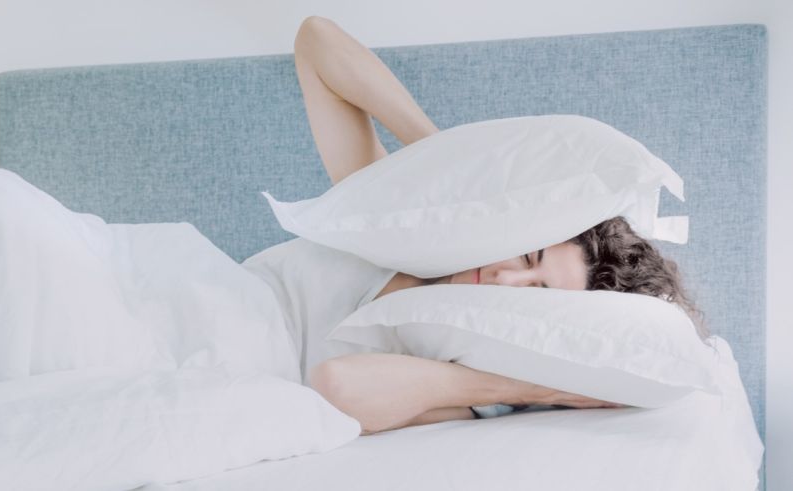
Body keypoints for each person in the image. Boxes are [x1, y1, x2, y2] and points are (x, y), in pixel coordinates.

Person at [291, 16, 706, 436]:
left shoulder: (472, 372)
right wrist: (456, 166)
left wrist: (536, 390)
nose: (504, 277)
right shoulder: (395, 228)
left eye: (534, 293)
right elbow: (316, 40)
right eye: (528, 255)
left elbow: (335, 387)